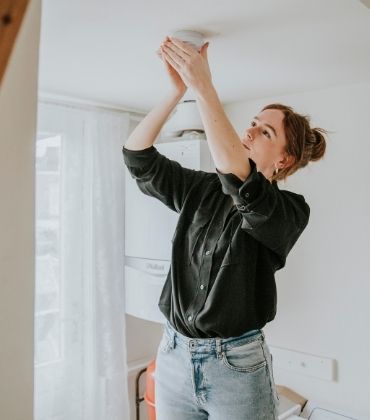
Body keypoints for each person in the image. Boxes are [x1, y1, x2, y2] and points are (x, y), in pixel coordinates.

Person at [122, 36, 326, 420]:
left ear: (285, 159)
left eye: (266, 132)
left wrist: (204, 88)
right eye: (252, 123)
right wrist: (176, 92)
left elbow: (241, 181)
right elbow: (136, 156)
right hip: (173, 355)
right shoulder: (201, 188)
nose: (249, 132)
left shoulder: (288, 211)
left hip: (236, 368)